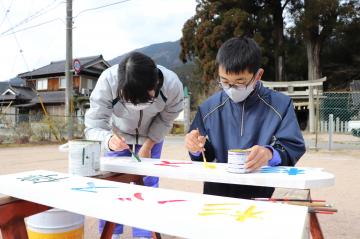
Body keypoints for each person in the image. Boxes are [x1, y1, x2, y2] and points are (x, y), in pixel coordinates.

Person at [184, 37, 305, 199]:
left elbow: (293, 146)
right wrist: (196, 148)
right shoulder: (208, 108)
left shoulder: (280, 105)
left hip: (260, 195)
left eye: (240, 82)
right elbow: (204, 154)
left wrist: (269, 154)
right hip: (215, 195)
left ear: (258, 75)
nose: (231, 89)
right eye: (225, 82)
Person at [85, 52, 184, 239]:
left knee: (147, 184)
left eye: (145, 100)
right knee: (113, 184)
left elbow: (166, 119)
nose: (137, 105)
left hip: (152, 135)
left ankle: (144, 234)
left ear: (155, 85)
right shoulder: (108, 81)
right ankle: (112, 234)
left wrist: (149, 144)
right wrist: (108, 141)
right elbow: (93, 125)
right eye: (130, 100)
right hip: (118, 136)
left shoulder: (172, 85)